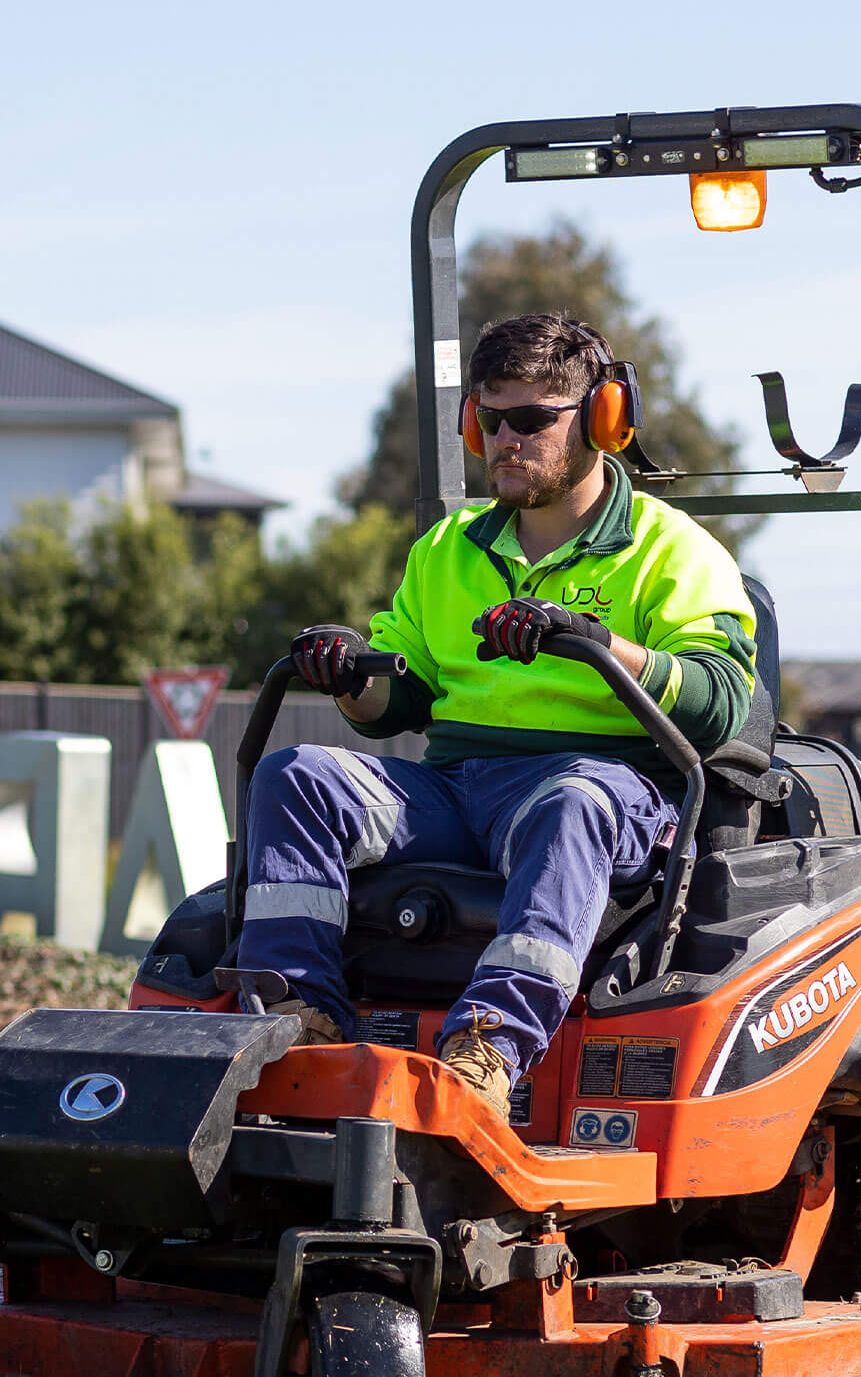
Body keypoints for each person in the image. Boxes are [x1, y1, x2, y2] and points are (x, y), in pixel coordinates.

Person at [237, 313, 757, 1115]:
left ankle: (489, 1045)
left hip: (601, 789)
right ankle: (302, 1018)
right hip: (453, 791)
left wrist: (596, 643)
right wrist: (345, 671)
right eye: (490, 416)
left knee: (571, 802)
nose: (505, 439)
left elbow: (720, 703)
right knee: (298, 774)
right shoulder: (447, 549)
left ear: (601, 420)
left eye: (531, 419)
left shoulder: (674, 551)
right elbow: (394, 702)